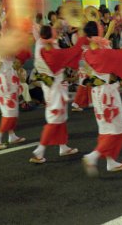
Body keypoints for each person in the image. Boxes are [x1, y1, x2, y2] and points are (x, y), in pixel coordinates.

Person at [81, 21, 122, 176]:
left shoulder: (87, 52)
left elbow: (100, 49)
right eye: (101, 29)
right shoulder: (104, 52)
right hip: (108, 94)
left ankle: (111, 162)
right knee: (116, 128)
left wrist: (109, 31)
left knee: (106, 129)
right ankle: (93, 156)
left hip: (98, 93)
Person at [29, 25, 88, 164]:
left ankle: (63, 146)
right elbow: (68, 54)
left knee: (60, 117)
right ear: (49, 35)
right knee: (54, 119)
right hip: (54, 87)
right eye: (54, 30)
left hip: (54, 85)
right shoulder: (48, 50)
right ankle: (39, 151)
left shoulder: (42, 44)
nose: (57, 31)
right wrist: (81, 39)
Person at [0, 20, 26, 150]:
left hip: (5, 78)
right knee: (10, 111)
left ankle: (11, 135)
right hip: (6, 79)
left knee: (10, 109)